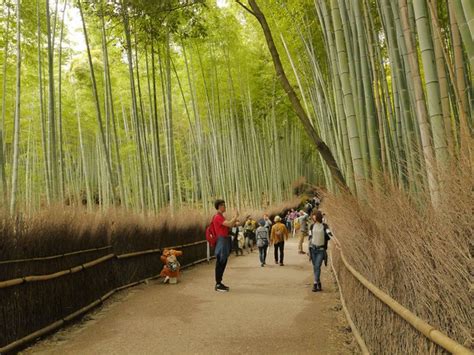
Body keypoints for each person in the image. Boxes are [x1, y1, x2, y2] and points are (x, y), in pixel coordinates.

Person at [211, 199, 239, 292]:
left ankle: (219, 282)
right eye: (223, 205)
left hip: (224, 239)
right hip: (221, 240)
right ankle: (218, 284)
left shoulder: (221, 216)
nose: (225, 207)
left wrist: (234, 220)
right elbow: (229, 223)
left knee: (223, 261)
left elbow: (229, 226)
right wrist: (235, 216)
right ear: (219, 206)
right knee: (220, 261)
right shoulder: (217, 217)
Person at [308, 211, 332, 292]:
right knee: (315, 267)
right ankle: (319, 283)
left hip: (321, 250)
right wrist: (309, 249)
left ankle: (315, 284)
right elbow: (310, 237)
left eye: (315, 215)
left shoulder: (324, 226)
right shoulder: (311, 226)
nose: (313, 217)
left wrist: (336, 243)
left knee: (317, 266)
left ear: (318, 216)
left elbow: (330, 234)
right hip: (313, 249)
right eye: (313, 215)